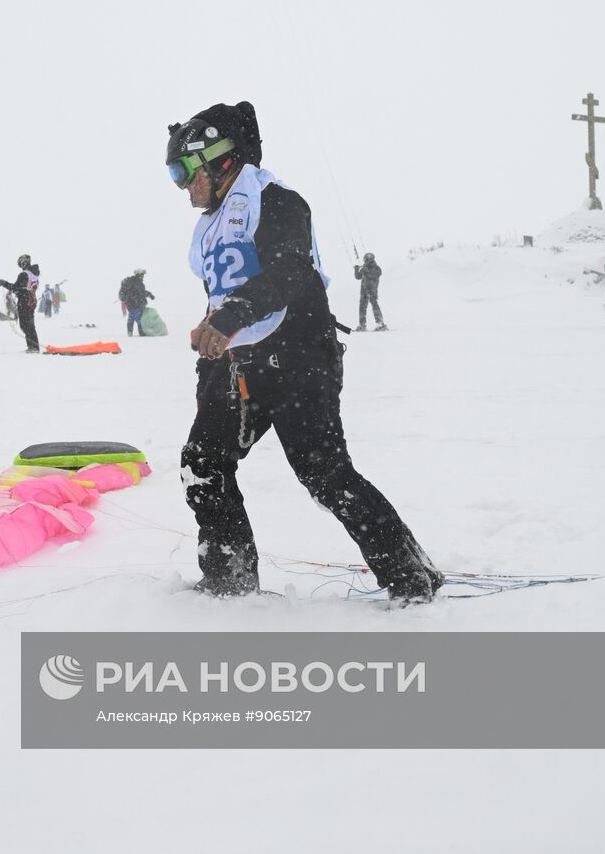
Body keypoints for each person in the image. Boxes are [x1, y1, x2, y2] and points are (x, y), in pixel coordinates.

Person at [166, 100, 441, 604]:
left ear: (223, 158)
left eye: (185, 170)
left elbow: (294, 272)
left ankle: (411, 577)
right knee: (202, 461)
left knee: (325, 474)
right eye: (174, 174)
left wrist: (230, 317)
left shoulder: (277, 200)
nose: (182, 185)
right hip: (240, 368)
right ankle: (228, 579)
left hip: (298, 361)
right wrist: (212, 346)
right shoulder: (214, 222)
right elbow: (225, 293)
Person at [0, 254, 40, 352]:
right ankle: (34, 346)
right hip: (32, 301)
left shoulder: (24, 274)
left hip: (25, 301)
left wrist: (4, 283)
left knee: (25, 325)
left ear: (24, 262)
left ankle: (33, 347)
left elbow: (15, 288)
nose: (20, 266)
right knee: (30, 324)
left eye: (20, 264)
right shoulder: (34, 275)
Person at [352, 253, 387, 331]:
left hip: (366, 291)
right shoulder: (377, 268)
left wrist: (357, 268)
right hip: (373, 291)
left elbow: (358, 276)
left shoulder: (365, 268)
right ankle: (380, 323)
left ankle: (363, 325)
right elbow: (375, 275)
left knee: (363, 307)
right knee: (373, 305)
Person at [119, 269, 155, 336]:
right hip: (136, 303)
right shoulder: (137, 283)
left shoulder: (131, 282)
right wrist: (150, 295)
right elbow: (142, 292)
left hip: (130, 303)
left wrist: (149, 294)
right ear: (140, 275)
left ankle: (129, 332)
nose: (143, 277)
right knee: (139, 318)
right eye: (142, 275)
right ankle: (141, 333)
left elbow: (139, 292)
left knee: (131, 316)